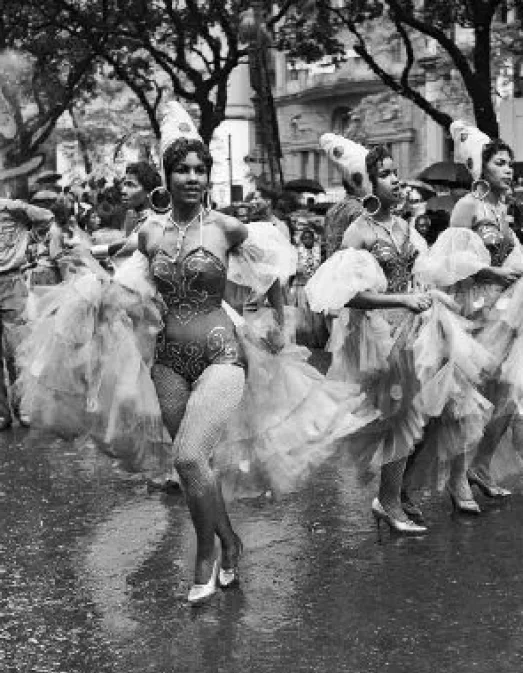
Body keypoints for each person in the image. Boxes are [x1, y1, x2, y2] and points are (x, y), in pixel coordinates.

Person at [20, 101, 374, 605]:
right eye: (183, 169)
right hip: (168, 362)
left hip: (222, 355)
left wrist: (278, 316)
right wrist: (86, 266)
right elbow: (127, 274)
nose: (192, 177)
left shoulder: (227, 228)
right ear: (168, 174)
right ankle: (231, 541)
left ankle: (206, 554)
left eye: (200, 169)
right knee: (194, 466)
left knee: (188, 455)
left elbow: (277, 263)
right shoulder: (149, 233)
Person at [307, 143, 493, 529]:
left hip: (413, 330)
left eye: (397, 172)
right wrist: (401, 299)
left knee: (418, 413)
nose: (398, 181)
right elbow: (346, 295)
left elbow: (419, 273)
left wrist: (440, 288)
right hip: (378, 334)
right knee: (397, 417)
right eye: (388, 174)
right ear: (371, 183)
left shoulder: (403, 227)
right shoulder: (359, 231)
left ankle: (394, 496)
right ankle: (388, 501)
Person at [417, 120, 523, 504]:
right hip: (474, 310)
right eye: (500, 162)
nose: (509, 169)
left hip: (504, 313)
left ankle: (480, 467)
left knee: (509, 393)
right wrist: (491, 272)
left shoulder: (502, 211)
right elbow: (448, 259)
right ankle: (456, 479)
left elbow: (516, 258)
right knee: (466, 398)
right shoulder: (468, 205)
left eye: (510, 163)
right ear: (480, 168)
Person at [0, 194, 53, 429]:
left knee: (17, 350)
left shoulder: (12, 209)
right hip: (11, 282)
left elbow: (47, 217)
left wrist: (28, 235)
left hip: (12, 281)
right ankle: (2, 414)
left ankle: (23, 407)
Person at [320, 134, 368, 258]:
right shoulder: (359, 210)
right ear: (359, 184)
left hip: (332, 267)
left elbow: (324, 244)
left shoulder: (332, 210)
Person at [290, 226, 326, 347]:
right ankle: (305, 339)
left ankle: (318, 339)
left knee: (317, 313)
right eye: (304, 238)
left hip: (316, 287)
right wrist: (297, 270)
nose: (307, 240)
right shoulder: (296, 252)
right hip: (301, 286)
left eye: (309, 238)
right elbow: (291, 269)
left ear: (313, 239)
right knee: (303, 313)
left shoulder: (320, 251)